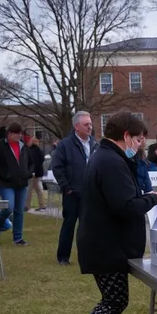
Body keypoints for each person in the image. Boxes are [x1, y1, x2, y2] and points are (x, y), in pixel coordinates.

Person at [76, 112, 157, 314]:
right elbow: (126, 206)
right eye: (138, 140)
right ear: (126, 136)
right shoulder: (111, 162)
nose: (139, 146)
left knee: (112, 301)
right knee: (114, 302)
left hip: (104, 242)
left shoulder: (105, 156)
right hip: (107, 246)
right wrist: (153, 198)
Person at [51, 111, 98, 265]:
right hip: (72, 193)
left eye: (90, 124)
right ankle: (63, 256)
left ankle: (87, 255)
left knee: (89, 227)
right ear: (76, 126)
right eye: (86, 124)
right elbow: (57, 168)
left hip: (90, 193)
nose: (90, 127)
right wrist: (67, 188)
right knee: (69, 224)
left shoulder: (95, 144)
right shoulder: (65, 145)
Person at [0, 122, 34, 247]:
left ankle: (18, 238)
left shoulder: (23, 146)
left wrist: (28, 173)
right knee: (8, 208)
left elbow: (31, 162)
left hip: (22, 183)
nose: (19, 136)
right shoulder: (0, 146)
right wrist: (3, 175)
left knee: (19, 211)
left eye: (20, 133)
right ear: (9, 134)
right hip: (6, 183)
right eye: (16, 133)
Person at [25, 135, 46, 211]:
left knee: (30, 190)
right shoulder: (35, 149)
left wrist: (32, 171)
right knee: (38, 189)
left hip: (34, 173)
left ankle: (27, 206)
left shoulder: (33, 150)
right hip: (37, 172)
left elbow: (35, 161)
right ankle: (42, 205)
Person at [134, 130, 153, 194]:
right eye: (139, 139)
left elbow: (146, 180)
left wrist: (150, 193)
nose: (142, 140)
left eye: (143, 138)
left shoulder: (142, 159)